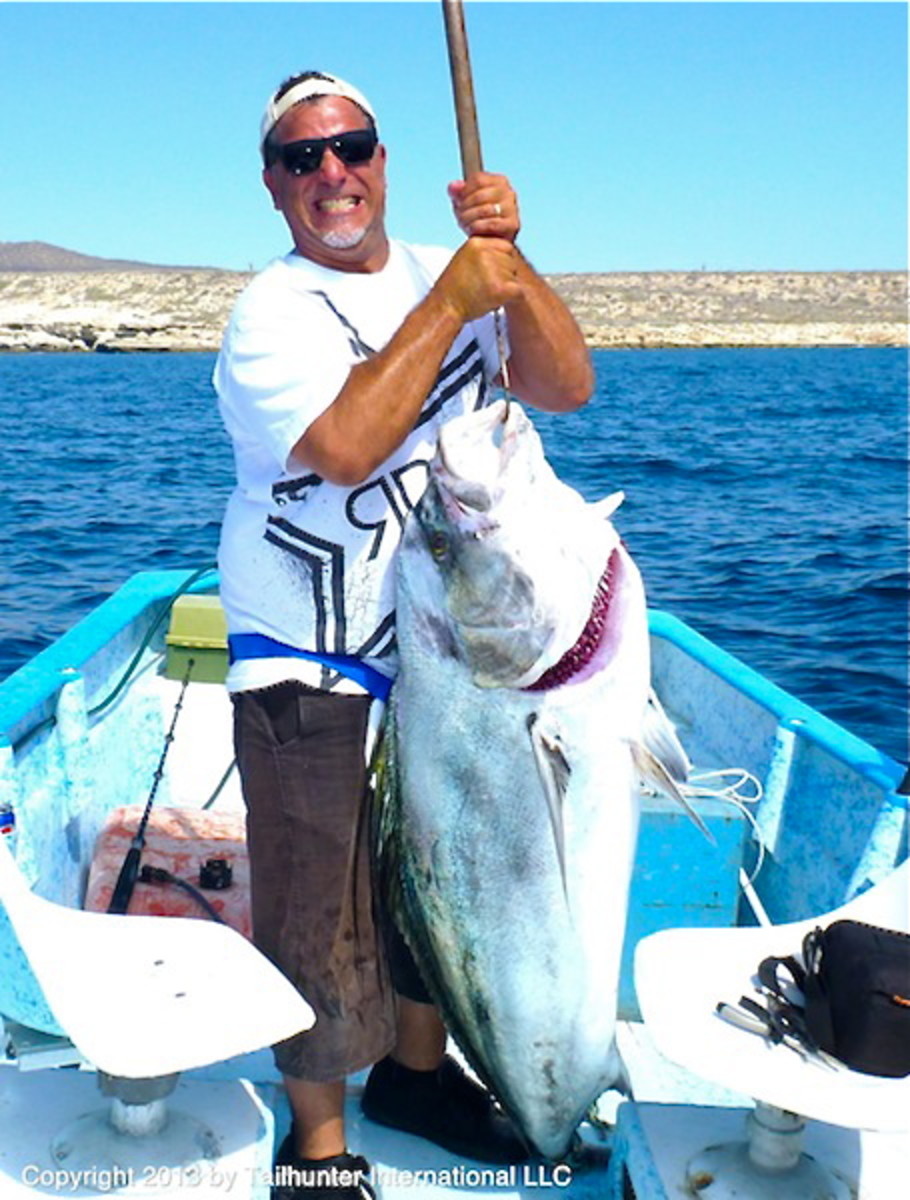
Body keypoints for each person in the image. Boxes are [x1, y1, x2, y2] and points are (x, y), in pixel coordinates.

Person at [214, 71, 593, 1200]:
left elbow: (565, 385)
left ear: (383, 159)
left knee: (439, 878)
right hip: (312, 653)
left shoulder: (458, 267)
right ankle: (318, 1147)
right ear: (273, 185)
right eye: (302, 157)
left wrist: (510, 263)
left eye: (352, 147)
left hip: (447, 648)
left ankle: (418, 1080)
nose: (332, 173)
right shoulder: (272, 314)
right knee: (318, 899)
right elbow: (343, 447)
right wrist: (450, 303)